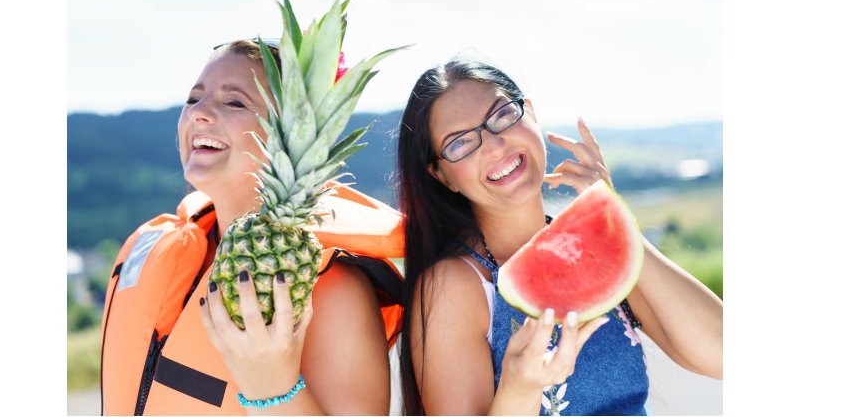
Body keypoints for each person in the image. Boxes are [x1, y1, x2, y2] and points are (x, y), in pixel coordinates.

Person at [395, 59, 723, 415]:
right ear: (442, 176)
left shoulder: (591, 250)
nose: (493, 145)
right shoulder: (456, 284)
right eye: (460, 143)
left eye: (502, 115)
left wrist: (612, 220)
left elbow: (721, 354)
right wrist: (520, 390)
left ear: (531, 114)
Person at [100, 39, 403, 415]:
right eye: (194, 98)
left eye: (234, 102)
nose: (199, 113)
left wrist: (271, 384)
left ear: (289, 141)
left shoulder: (330, 288)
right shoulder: (157, 243)